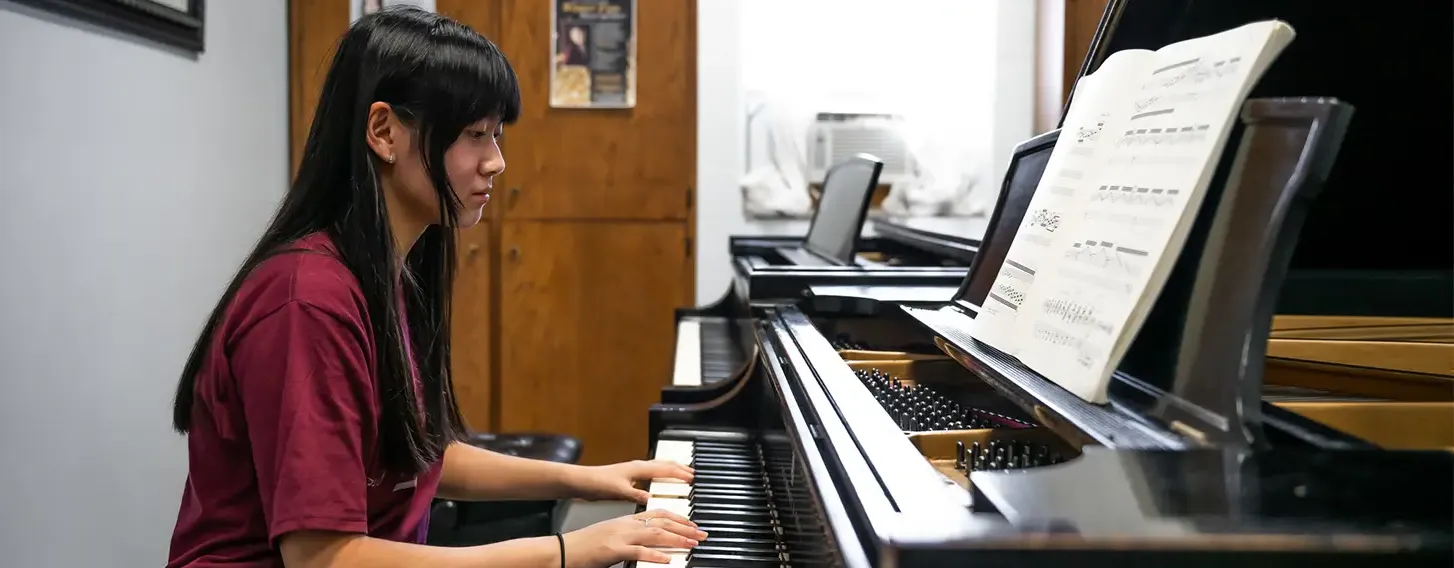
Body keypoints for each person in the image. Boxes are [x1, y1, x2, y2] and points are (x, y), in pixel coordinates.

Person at [165, 7, 704, 567]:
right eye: (475, 135)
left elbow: (417, 461)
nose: (496, 161)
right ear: (384, 131)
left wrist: (587, 480)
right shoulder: (308, 301)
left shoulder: (380, 271)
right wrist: (565, 552)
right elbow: (323, 558)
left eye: (495, 134)